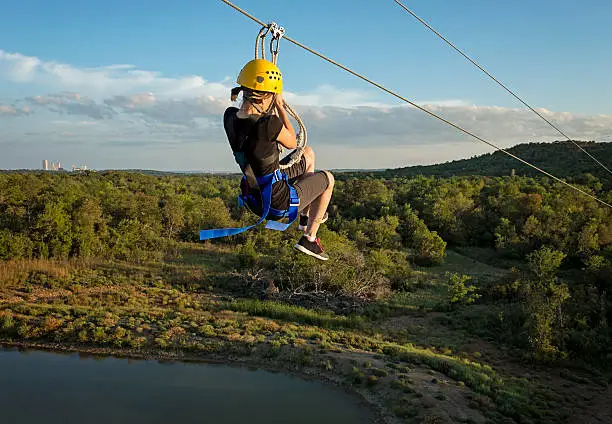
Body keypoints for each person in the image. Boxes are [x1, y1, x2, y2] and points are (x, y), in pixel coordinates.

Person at [224, 58, 334, 260]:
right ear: (269, 96)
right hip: (276, 202)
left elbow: (290, 146)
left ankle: (305, 215)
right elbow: (292, 141)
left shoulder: (229, 116)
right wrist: (281, 107)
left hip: (253, 191)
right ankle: (309, 238)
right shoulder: (269, 123)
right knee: (328, 178)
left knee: (308, 153)